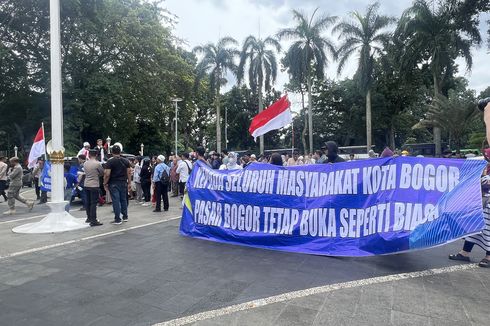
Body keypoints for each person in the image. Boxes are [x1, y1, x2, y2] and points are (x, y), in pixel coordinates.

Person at [104, 145, 131, 225]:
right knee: (123, 199)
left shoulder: (110, 161)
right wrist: (129, 182)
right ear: (120, 152)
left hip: (113, 183)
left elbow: (107, 174)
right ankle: (125, 216)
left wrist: (105, 183)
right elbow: (129, 172)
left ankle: (117, 219)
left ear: (112, 152)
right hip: (123, 182)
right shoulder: (126, 161)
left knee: (116, 200)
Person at [83, 150, 104, 226]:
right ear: (96, 155)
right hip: (94, 184)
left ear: (89, 155)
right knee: (93, 203)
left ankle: (88, 218)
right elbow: (102, 172)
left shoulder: (85, 163)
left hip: (86, 183)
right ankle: (93, 220)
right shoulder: (97, 164)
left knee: (88, 202)